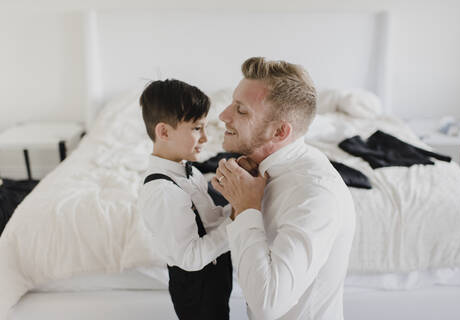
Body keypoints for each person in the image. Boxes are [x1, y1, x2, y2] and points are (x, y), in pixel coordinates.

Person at [212, 57, 356, 320]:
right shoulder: (258, 171)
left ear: (279, 132)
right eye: (232, 104)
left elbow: (268, 304)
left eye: (241, 110)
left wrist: (246, 208)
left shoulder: (315, 194)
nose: (223, 116)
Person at [137, 79, 232, 320]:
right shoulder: (163, 192)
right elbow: (190, 258)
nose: (206, 138)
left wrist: (237, 207)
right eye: (197, 128)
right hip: (196, 289)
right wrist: (237, 224)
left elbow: (209, 221)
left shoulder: (190, 170)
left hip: (215, 277)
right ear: (164, 132)